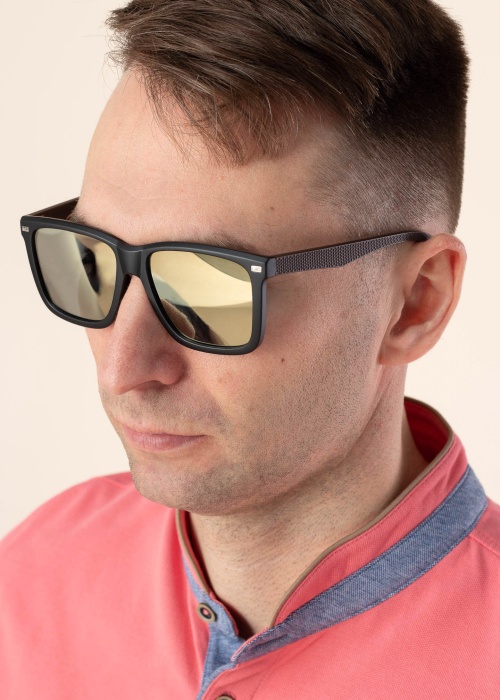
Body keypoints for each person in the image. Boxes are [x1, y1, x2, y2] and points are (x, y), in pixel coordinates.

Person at [2, 0, 499, 697]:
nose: (122, 369)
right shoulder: (35, 572)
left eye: (208, 287)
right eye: (93, 258)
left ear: (416, 302)